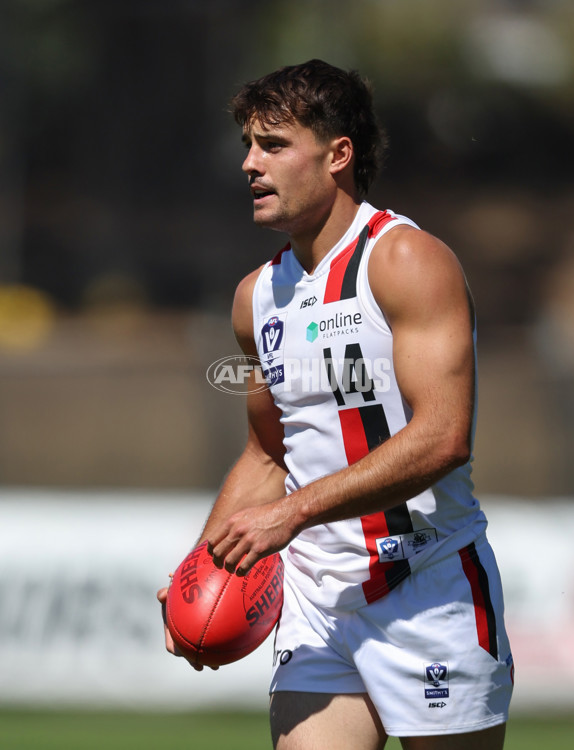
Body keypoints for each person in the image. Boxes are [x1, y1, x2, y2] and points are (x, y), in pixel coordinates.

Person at [158, 59, 514, 749]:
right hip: (316, 597)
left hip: (428, 583)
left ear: (338, 155)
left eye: (273, 145)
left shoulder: (406, 261)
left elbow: (444, 437)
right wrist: (201, 571)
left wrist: (293, 512)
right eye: (247, 147)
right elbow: (268, 453)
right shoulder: (254, 298)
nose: (250, 166)